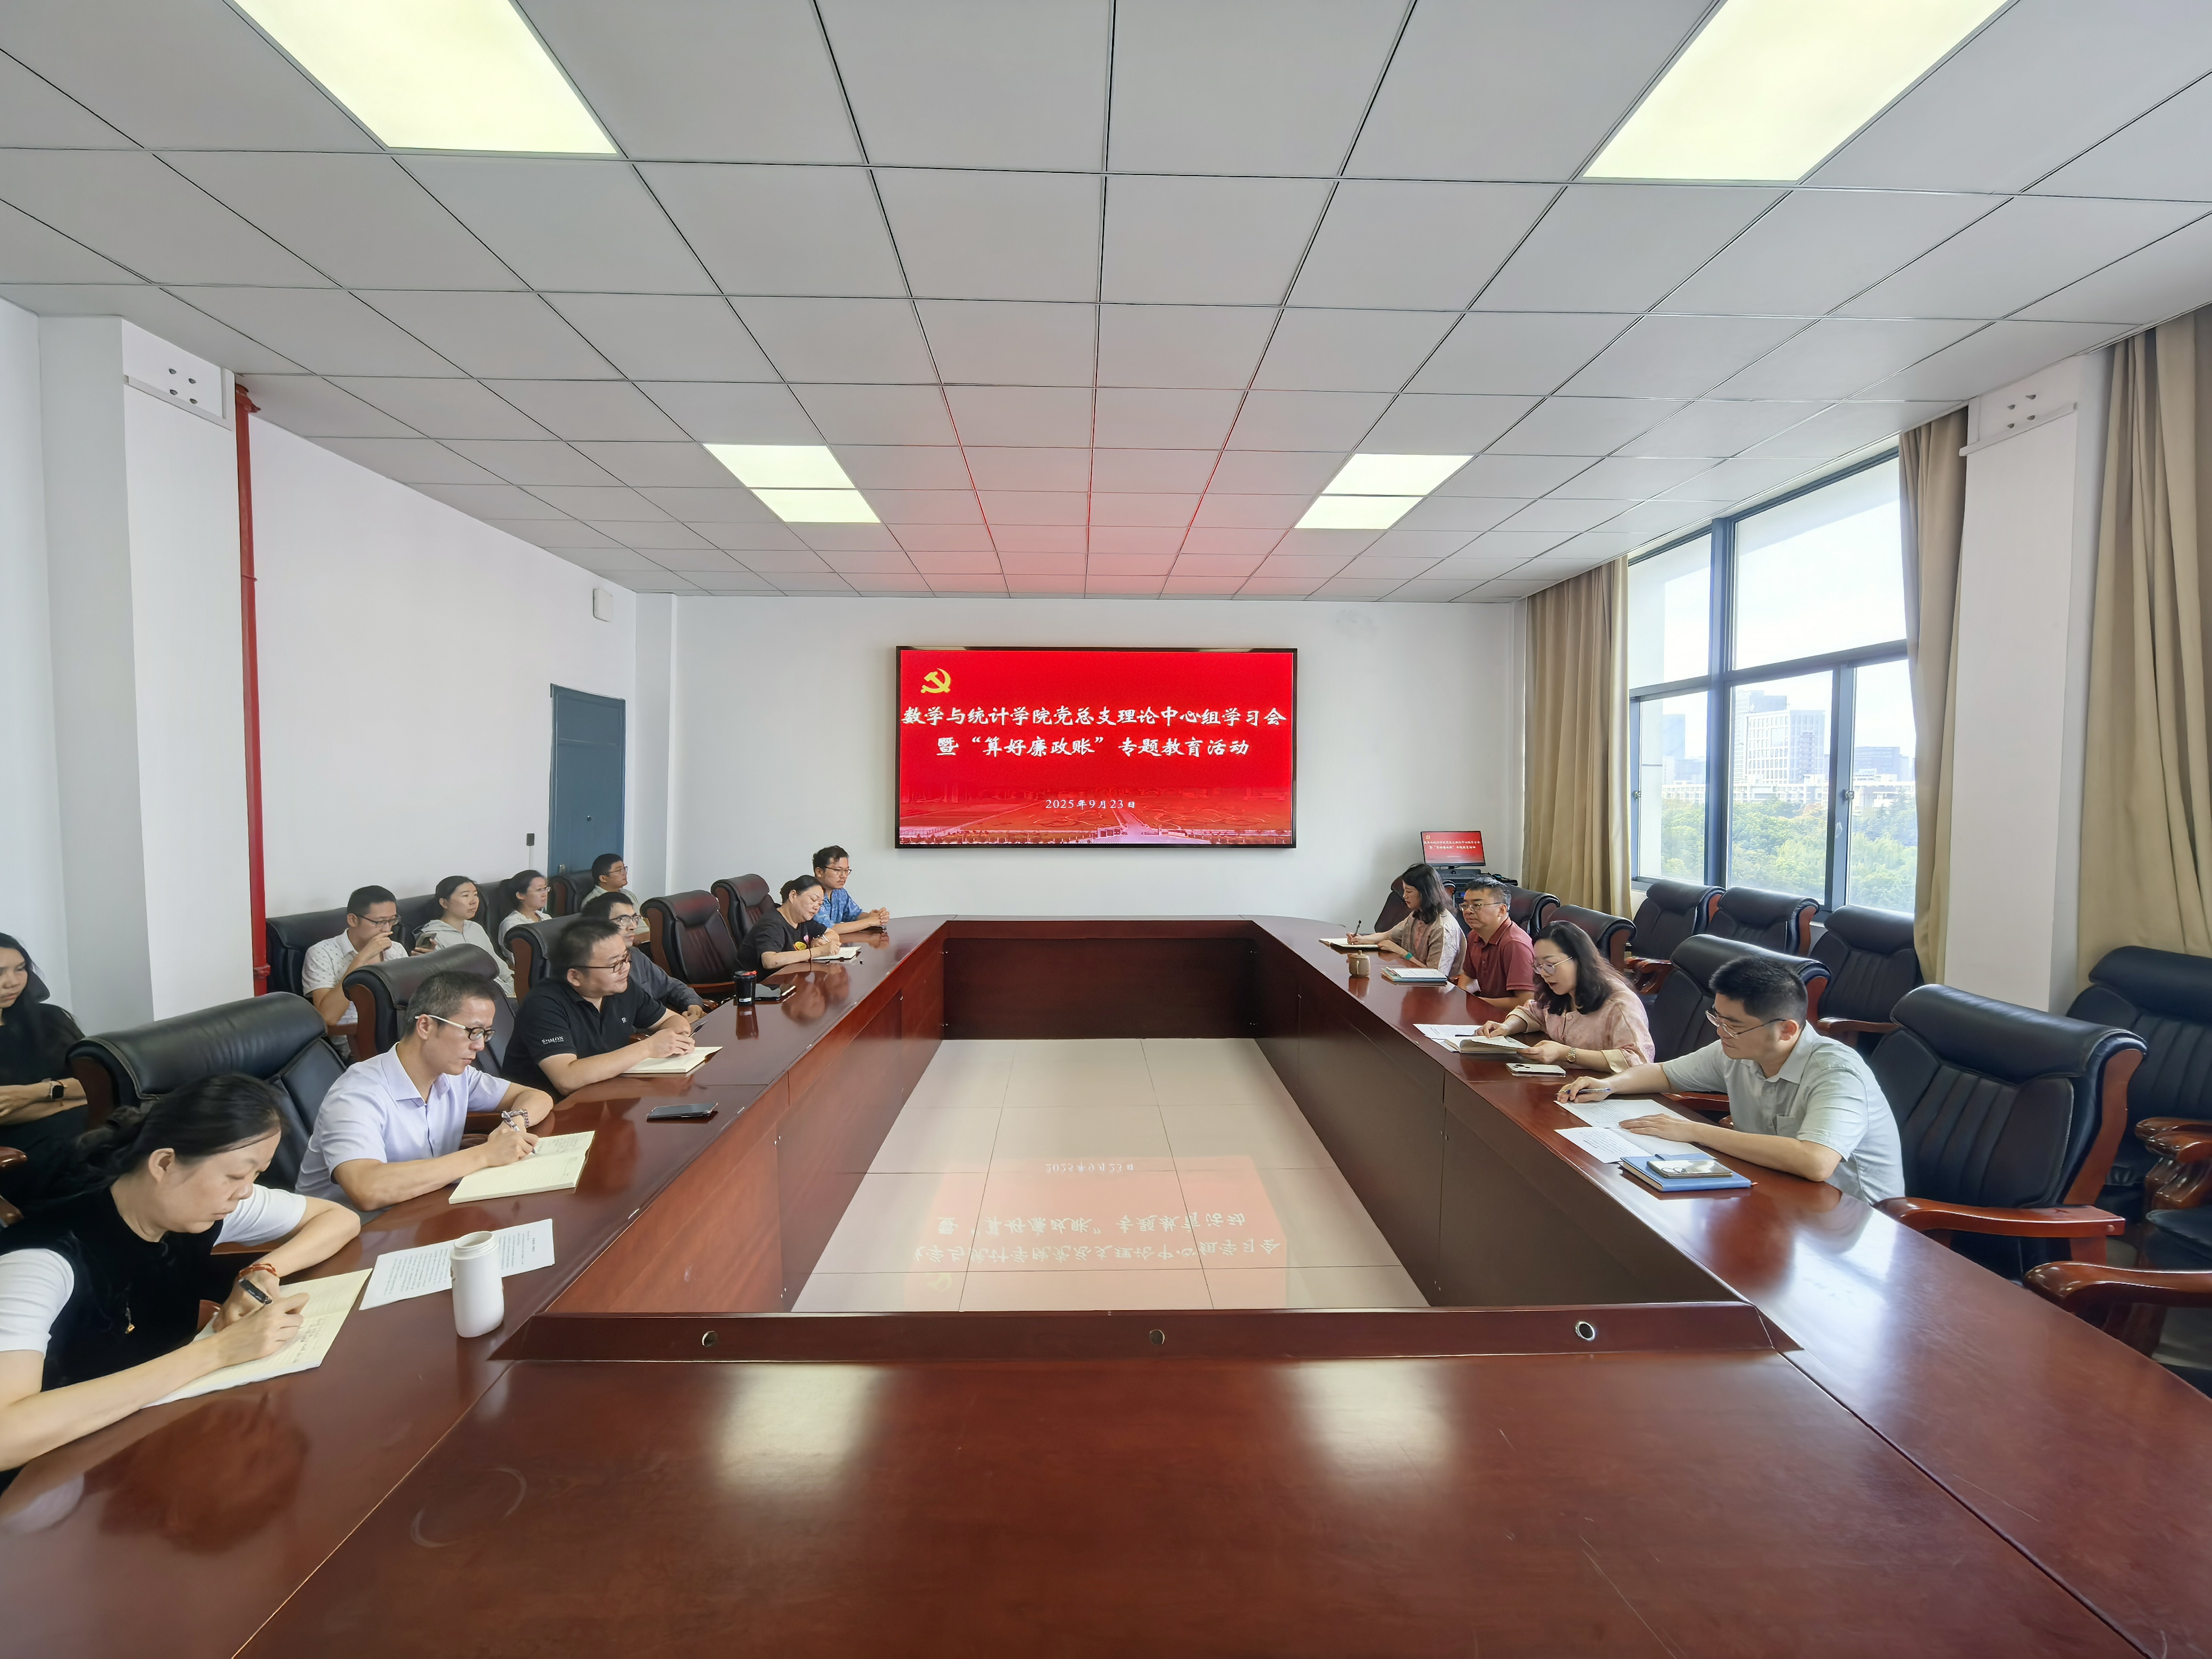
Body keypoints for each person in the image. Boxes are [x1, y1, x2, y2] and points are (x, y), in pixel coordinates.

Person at [0, 1075, 359, 1479]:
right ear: (164, 1164)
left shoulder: (194, 1206)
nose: (245, 1193)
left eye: (256, 1175)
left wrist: (262, 1271)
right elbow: (7, 1436)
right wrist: (218, 1352)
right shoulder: (43, 1260)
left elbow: (338, 1218)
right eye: (236, 1176)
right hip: (54, 1478)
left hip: (153, 1434)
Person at [1557, 953, 1906, 1203]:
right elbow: (1665, 1073)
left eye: (1733, 1025)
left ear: (1787, 1030)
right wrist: (1609, 1085)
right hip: (1774, 1188)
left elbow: (1815, 1161)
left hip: (1853, 1216)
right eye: (1717, 1018)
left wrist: (1696, 1131)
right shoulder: (1739, 1049)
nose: (1721, 1032)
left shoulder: (1836, 1072)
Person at [296, 971, 552, 1209]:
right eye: (473, 1032)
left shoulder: (456, 1075)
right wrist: (484, 1155)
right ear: (426, 1026)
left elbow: (537, 1097)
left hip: (423, 1207)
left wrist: (513, 1124)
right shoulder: (357, 1095)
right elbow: (367, 1189)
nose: (480, 1046)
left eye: (485, 1034)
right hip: (356, 1231)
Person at [505, 918, 695, 1097]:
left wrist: (678, 1039)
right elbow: (567, 1079)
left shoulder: (621, 987)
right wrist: (648, 1048)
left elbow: (671, 1019)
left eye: (626, 958)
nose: (626, 968)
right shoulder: (543, 1005)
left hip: (609, 1094)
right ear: (575, 976)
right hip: (553, 1110)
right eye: (615, 964)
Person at [1479, 922, 1653, 1073]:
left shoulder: (1620, 1004)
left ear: (1579, 960)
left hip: (1605, 1090)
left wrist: (1566, 1054)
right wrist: (1506, 1027)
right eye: (1539, 966)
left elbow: (1637, 1060)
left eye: (1550, 965)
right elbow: (1533, 1011)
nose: (1544, 974)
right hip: (1566, 1082)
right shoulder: (1560, 991)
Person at [0, 934, 89, 1213]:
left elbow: (101, 1081)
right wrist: (75, 1096)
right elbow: (4, 1114)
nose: (12, 982)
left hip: (87, 1125)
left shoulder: (52, 1019)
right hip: (18, 1151)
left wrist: (29, 1094)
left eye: (20, 969)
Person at [580, 891, 703, 1021]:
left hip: (665, 1025)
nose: (633, 927)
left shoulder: (635, 955)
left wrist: (692, 1005)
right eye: (624, 920)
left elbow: (671, 986)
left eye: (634, 919)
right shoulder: (594, 969)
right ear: (599, 925)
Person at [300, 887, 406, 1028]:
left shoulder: (396, 949)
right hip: (355, 1035)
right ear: (353, 920)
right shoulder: (322, 953)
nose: (387, 929)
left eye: (392, 921)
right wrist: (362, 958)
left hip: (399, 1029)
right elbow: (327, 1017)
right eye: (379, 922)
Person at [411, 876, 514, 998]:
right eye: (465, 896)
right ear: (444, 903)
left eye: (475, 895)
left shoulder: (475, 928)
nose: (474, 901)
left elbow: (495, 960)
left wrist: (514, 981)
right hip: (471, 995)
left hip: (502, 990)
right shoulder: (434, 936)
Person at [1347, 865, 1463, 973]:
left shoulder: (1442, 928)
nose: (1404, 896)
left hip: (1435, 987)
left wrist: (1403, 953)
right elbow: (1388, 935)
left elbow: (1436, 975)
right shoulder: (1417, 914)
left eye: (1409, 891)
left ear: (1425, 893)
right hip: (1413, 979)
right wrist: (1360, 940)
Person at [1453, 878, 1536, 1015]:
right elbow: (1469, 976)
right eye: (1465, 905)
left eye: (1477, 905)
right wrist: (1462, 998)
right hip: (1485, 1013)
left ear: (1502, 910)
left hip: (1512, 1021)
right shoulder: (1475, 935)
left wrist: (1475, 1002)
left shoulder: (1514, 944)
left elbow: (1526, 1002)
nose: (1468, 911)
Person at [735, 876, 843, 976]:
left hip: (791, 979)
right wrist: (818, 951)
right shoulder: (772, 924)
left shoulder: (803, 919)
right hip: (765, 986)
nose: (817, 907)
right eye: (813, 900)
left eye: (820, 904)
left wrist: (819, 941)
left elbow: (833, 934)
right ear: (793, 896)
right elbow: (770, 961)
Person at [812, 845, 889, 938]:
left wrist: (875, 917)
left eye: (846, 871)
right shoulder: (811, 895)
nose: (843, 876)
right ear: (819, 872)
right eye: (838, 870)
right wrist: (869, 922)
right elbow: (829, 929)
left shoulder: (840, 893)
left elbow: (855, 915)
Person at [583, 854, 649, 941]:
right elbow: (602, 937)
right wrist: (644, 938)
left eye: (624, 869)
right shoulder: (594, 901)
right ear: (603, 878)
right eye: (619, 871)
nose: (625, 873)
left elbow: (644, 919)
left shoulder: (627, 894)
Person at [495, 869, 554, 957]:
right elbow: (518, 959)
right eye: (539, 890)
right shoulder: (513, 924)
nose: (544, 894)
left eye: (545, 889)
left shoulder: (546, 918)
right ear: (520, 895)